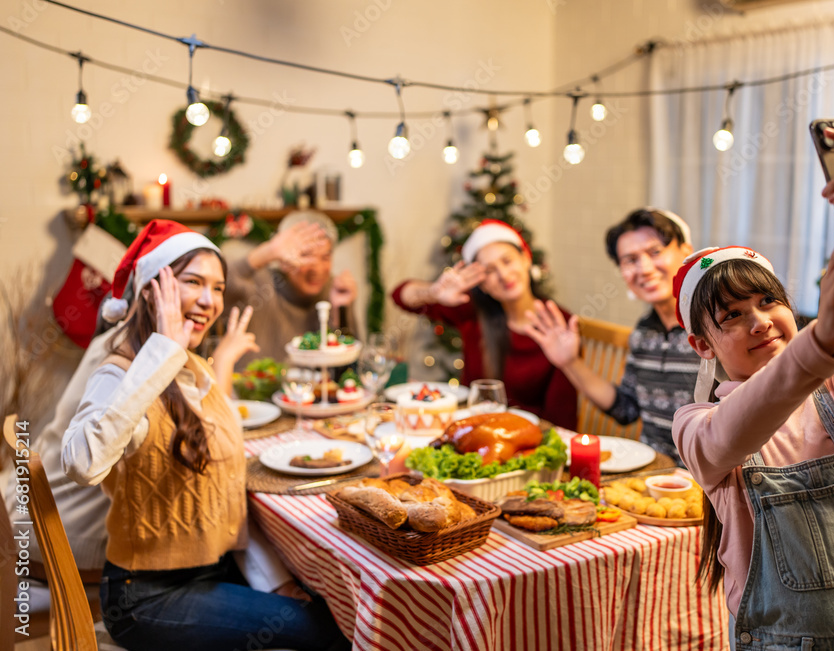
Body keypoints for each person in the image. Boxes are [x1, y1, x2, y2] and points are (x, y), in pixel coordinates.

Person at [673, 128, 834, 648]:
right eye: (733, 315)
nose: (760, 322)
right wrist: (823, 340)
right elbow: (736, 427)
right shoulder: (697, 425)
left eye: (768, 302)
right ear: (703, 346)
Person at [62, 220, 347, 651]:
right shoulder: (121, 371)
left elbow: (223, 469)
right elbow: (82, 463)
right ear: (149, 289)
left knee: (333, 605)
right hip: (148, 596)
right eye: (192, 282)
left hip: (209, 568)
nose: (208, 300)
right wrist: (161, 351)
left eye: (217, 288)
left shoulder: (188, 366)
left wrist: (274, 581)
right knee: (331, 632)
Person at [525, 209, 700, 460]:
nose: (645, 268)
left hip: (711, 484)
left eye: (655, 252)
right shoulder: (644, 331)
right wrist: (569, 362)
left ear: (686, 253)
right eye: (630, 260)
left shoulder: (715, 324)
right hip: (655, 474)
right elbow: (625, 409)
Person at [392, 219, 578, 429]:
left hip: (530, 438)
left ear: (526, 258)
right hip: (474, 431)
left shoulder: (558, 322)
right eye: (489, 270)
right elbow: (400, 295)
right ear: (481, 283)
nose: (503, 275)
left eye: (507, 261)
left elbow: (563, 418)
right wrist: (433, 293)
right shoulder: (472, 312)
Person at [224, 211, 358, 370]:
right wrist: (268, 251)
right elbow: (219, 281)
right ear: (283, 258)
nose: (317, 268)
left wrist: (340, 312)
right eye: (306, 255)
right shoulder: (259, 284)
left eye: (325, 257)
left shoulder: (333, 289)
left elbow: (347, 368)